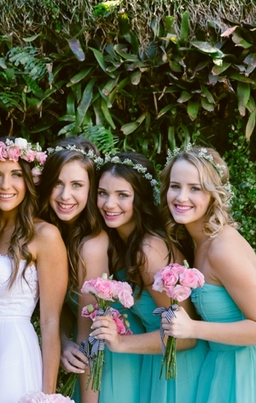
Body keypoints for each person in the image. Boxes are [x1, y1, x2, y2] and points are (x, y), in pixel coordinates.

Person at [158, 145, 256, 402]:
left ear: (213, 195)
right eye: (175, 186)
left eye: (195, 188)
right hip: (220, 371)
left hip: (254, 378)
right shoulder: (197, 242)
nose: (181, 197)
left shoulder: (223, 248)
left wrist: (193, 328)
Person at [0, 136, 68, 403]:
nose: (5, 185)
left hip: (13, 353)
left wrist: (47, 396)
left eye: (16, 174)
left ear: (30, 181)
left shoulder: (45, 235)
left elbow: (50, 322)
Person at [90, 152, 207, 403]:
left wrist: (119, 342)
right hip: (155, 363)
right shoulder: (120, 243)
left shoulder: (148, 251)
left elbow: (185, 336)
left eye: (122, 195)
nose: (109, 204)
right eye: (103, 193)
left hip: (179, 370)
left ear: (140, 199)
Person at [38, 138, 143, 403]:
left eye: (77, 185)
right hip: (91, 359)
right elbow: (62, 308)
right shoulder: (57, 234)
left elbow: (89, 334)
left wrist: (88, 401)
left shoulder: (92, 245)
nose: (65, 196)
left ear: (91, 188)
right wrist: (62, 339)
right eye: (58, 184)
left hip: (107, 366)